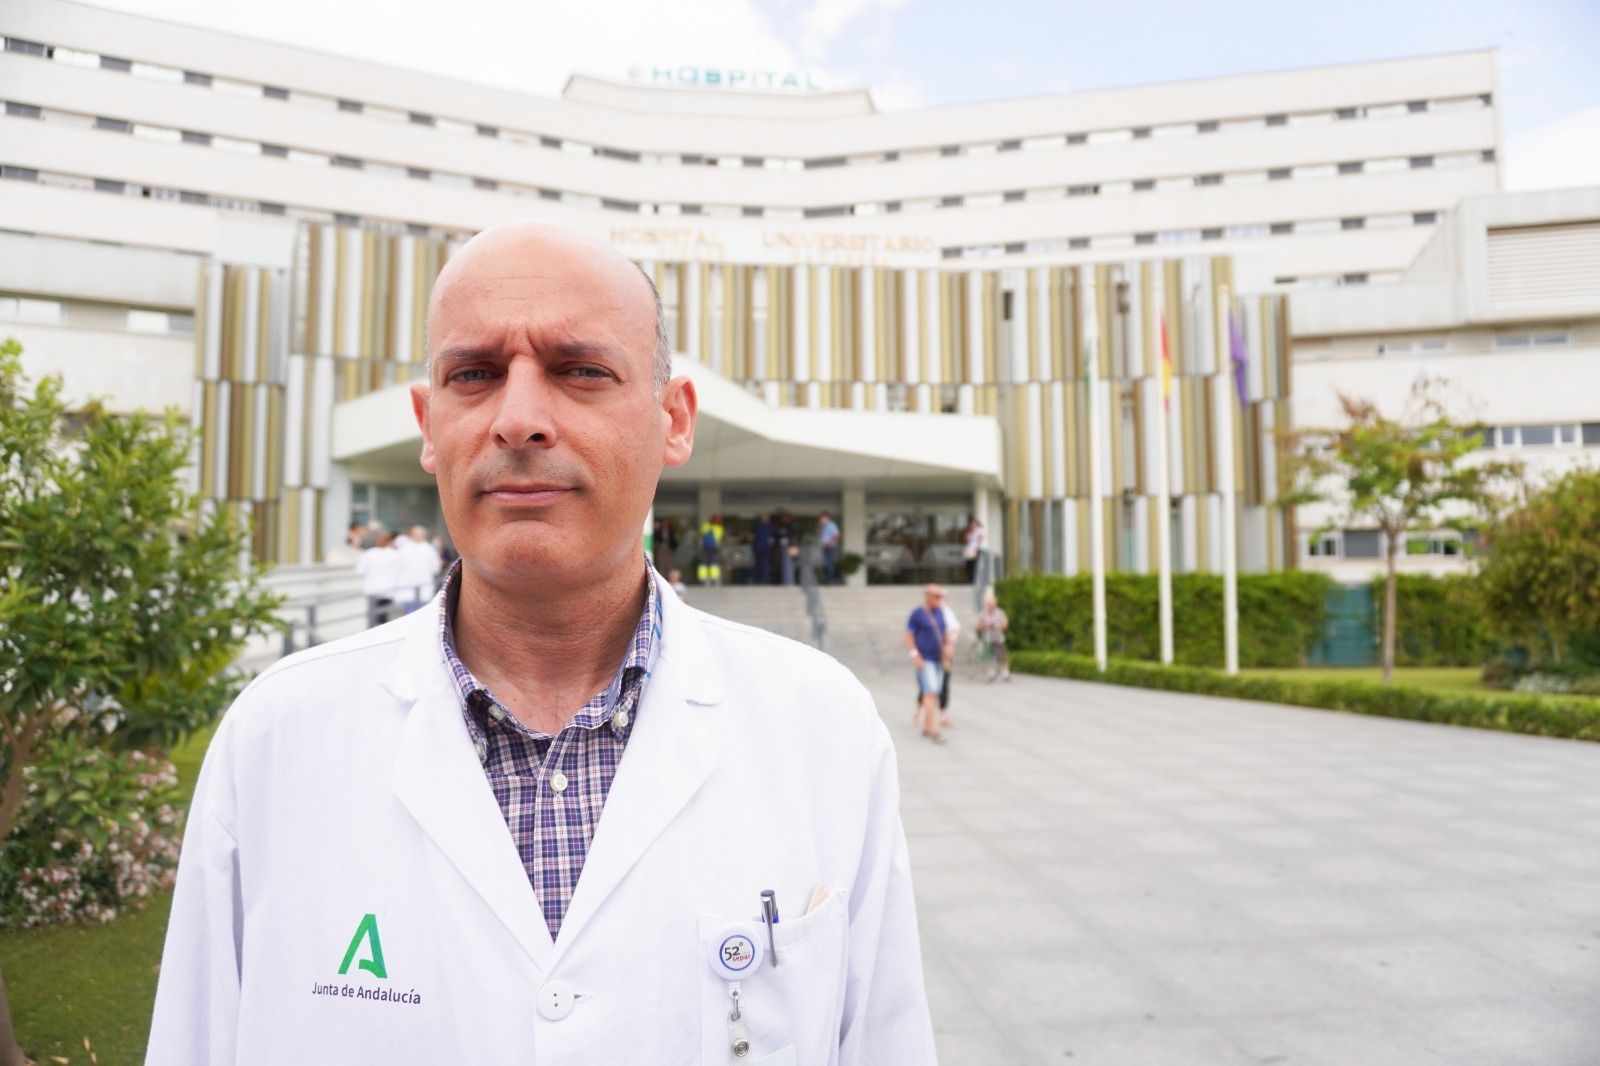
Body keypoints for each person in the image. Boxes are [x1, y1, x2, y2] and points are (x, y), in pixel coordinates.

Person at [148, 221, 935, 1065]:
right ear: (428, 422)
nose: (518, 420)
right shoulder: (277, 736)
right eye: (475, 374)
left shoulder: (822, 728)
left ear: (674, 420)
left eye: (581, 370)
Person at [905, 584, 950, 745]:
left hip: (938, 660)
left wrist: (948, 648)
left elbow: (944, 634)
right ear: (928, 597)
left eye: (941, 596)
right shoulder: (918, 614)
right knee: (930, 693)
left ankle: (925, 726)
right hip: (925, 660)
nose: (940, 599)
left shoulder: (939, 613)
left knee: (933, 693)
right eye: (937, 596)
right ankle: (934, 729)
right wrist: (914, 655)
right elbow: (908, 635)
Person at [393, 524, 443, 612]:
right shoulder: (429, 549)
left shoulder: (404, 548)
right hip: (419, 588)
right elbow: (435, 569)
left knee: (409, 614)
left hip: (410, 588)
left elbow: (396, 568)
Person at [356, 530, 401, 626]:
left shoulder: (369, 553)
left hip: (372, 589)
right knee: (384, 616)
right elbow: (400, 571)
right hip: (388, 589)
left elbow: (360, 571)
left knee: (373, 616)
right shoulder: (394, 554)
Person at [976, 591, 1011, 682]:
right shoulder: (983, 613)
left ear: (996, 604)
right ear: (987, 605)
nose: (991, 606)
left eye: (993, 604)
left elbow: (1005, 624)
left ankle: (1006, 674)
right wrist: (984, 625)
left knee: (1003, 655)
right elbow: (978, 626)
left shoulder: (1000, 612)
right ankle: (991, 673)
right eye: (989, 604)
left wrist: (998, 626)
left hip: (998, 637)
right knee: (988, 657)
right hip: (987, 638)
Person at [696, 512, 723, 586]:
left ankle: (704, 579)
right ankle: (712, 579)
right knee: (713, 563)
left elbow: (702, 533)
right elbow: (718, 538)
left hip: (707, 548)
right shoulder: (719, 528)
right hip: (713, 548)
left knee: (706, 564)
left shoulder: (706, 526)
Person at [818, 511, 841, 585]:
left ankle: (831, 580)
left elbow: (836, 536)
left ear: (826, 518)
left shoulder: (831, 525)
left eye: (822, 518)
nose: (820, 520)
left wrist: (830, 542)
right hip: (825, 546)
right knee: (827, 563)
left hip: (830, 547)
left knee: (829, 563)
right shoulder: (823, 526)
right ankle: (828, 579)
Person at [751, 512, 775, 586]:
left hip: (764, 549)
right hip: (760, 549)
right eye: (764, 517)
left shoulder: (769, 527)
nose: (766, 519)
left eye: (766, 517)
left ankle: (763, 580)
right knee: (759, 565)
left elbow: (775, 534)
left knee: (764, 565)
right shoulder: (759, 526)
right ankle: (759, 580)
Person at [962, 517, 986, 584]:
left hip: (975, 550)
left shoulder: (980, 530)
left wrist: (976, 549)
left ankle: (975, 580)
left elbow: (982, 538)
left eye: (973, 524)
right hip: (969, 550)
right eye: (971, 524)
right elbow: (966, 539)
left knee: (974, 565)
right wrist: (969, 531)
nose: (972, 525)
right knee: (969, 565)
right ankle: (970, 579)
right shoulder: (971, 532)